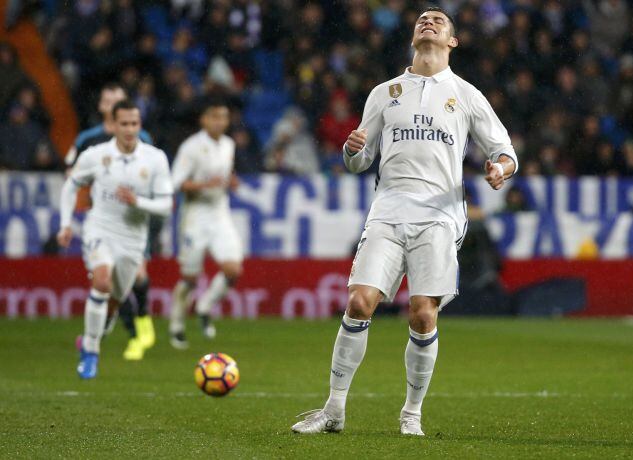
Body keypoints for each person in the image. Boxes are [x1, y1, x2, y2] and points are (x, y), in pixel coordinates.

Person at [291, 6, 517, 436]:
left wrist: (499, 169)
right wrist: (352, 148)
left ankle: (411, 413)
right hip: (389, 210)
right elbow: (359, 161)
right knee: (359, 302)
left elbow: (505, 150)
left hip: (439, 216)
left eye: (438, 21)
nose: (427, 23)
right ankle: (333, 410)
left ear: (453, 41)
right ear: (413, 37)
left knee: (422, 315)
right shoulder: (384, 92)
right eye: (421, 20)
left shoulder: (467, 95)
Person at [57, 100, 173, 379]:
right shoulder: (95, 155)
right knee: (101, 280)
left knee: (115, 299)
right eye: (124, 124)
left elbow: (167, 205)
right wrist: (65, 223)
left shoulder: (155, 158)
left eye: (134, 123)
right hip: (100, 229)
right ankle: (90, 349)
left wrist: (138, 202)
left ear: (140, 124)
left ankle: (101, 326)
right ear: (114, 124)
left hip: (133, 239)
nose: (130, 129)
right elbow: (71, 185)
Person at [168, 98, 242, 349]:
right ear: (204, 120)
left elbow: (223, 174)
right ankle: (177, 326)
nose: (220, 122)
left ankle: (204, 306)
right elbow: (176, 183)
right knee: (190, 278)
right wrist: (202, 186)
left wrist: (231, 181)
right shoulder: (191, 147)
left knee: (233, 270)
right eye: (215, 117)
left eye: (224, 117)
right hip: (195, 215)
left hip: (220, 212)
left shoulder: (228, 145)